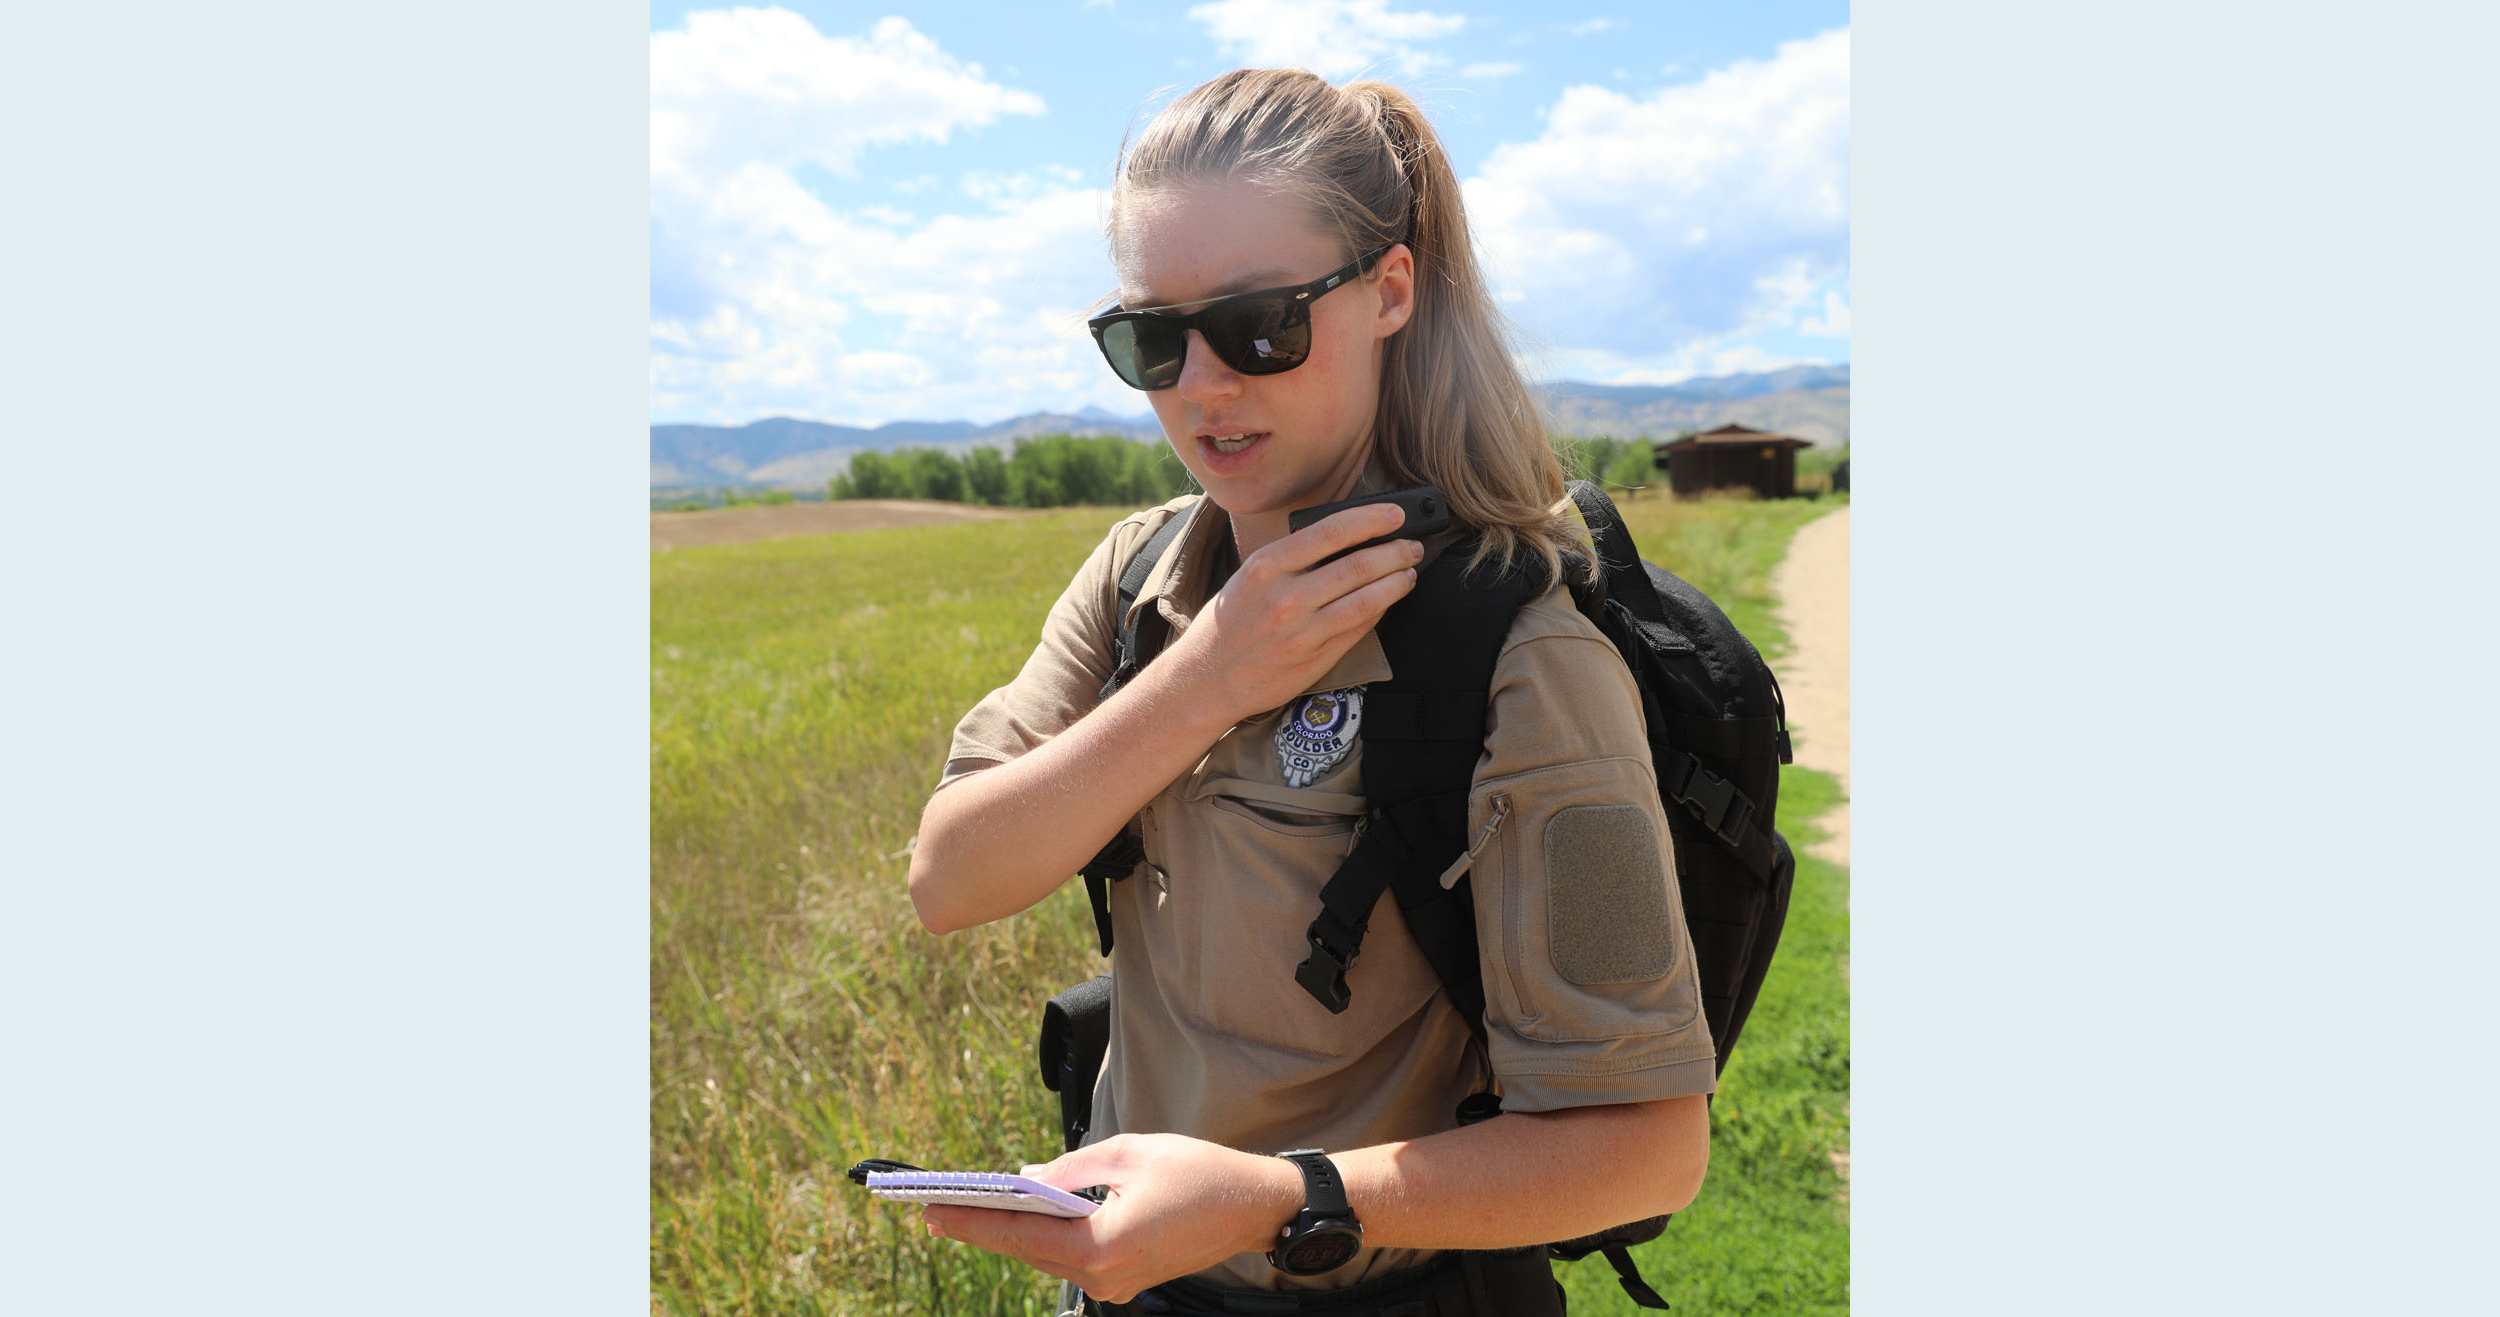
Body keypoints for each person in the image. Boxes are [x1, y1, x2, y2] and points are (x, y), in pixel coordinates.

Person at [905, 68, 1714, 1316]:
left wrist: (1291, 1201)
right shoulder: (1143, 580)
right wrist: (1209, 675)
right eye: (1152, 337)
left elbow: (1647, 1149)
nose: (1202, 387)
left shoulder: (1520, 652)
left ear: (1390, 290)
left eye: (1262, 325)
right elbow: (951, 880)